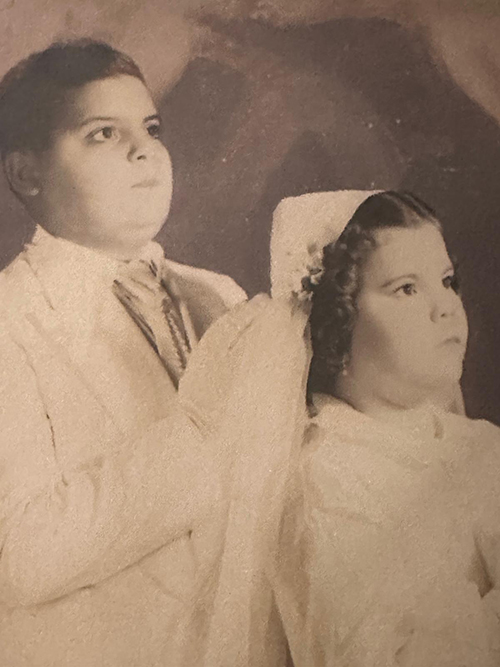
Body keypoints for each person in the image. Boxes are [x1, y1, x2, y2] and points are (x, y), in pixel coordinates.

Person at [0, 39, 249, 667]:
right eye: (102, 133)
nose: (145, 150)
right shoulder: (11, 319)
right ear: (26, 174)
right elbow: (21, 556)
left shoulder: (218, 296)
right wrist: (203, 438)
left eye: (152, 128)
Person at [265, 190, 500, 666]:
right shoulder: (328, 483)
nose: (446, 307)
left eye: (447, 281)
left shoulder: (479, 444)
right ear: (337, 326)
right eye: (407, 289)